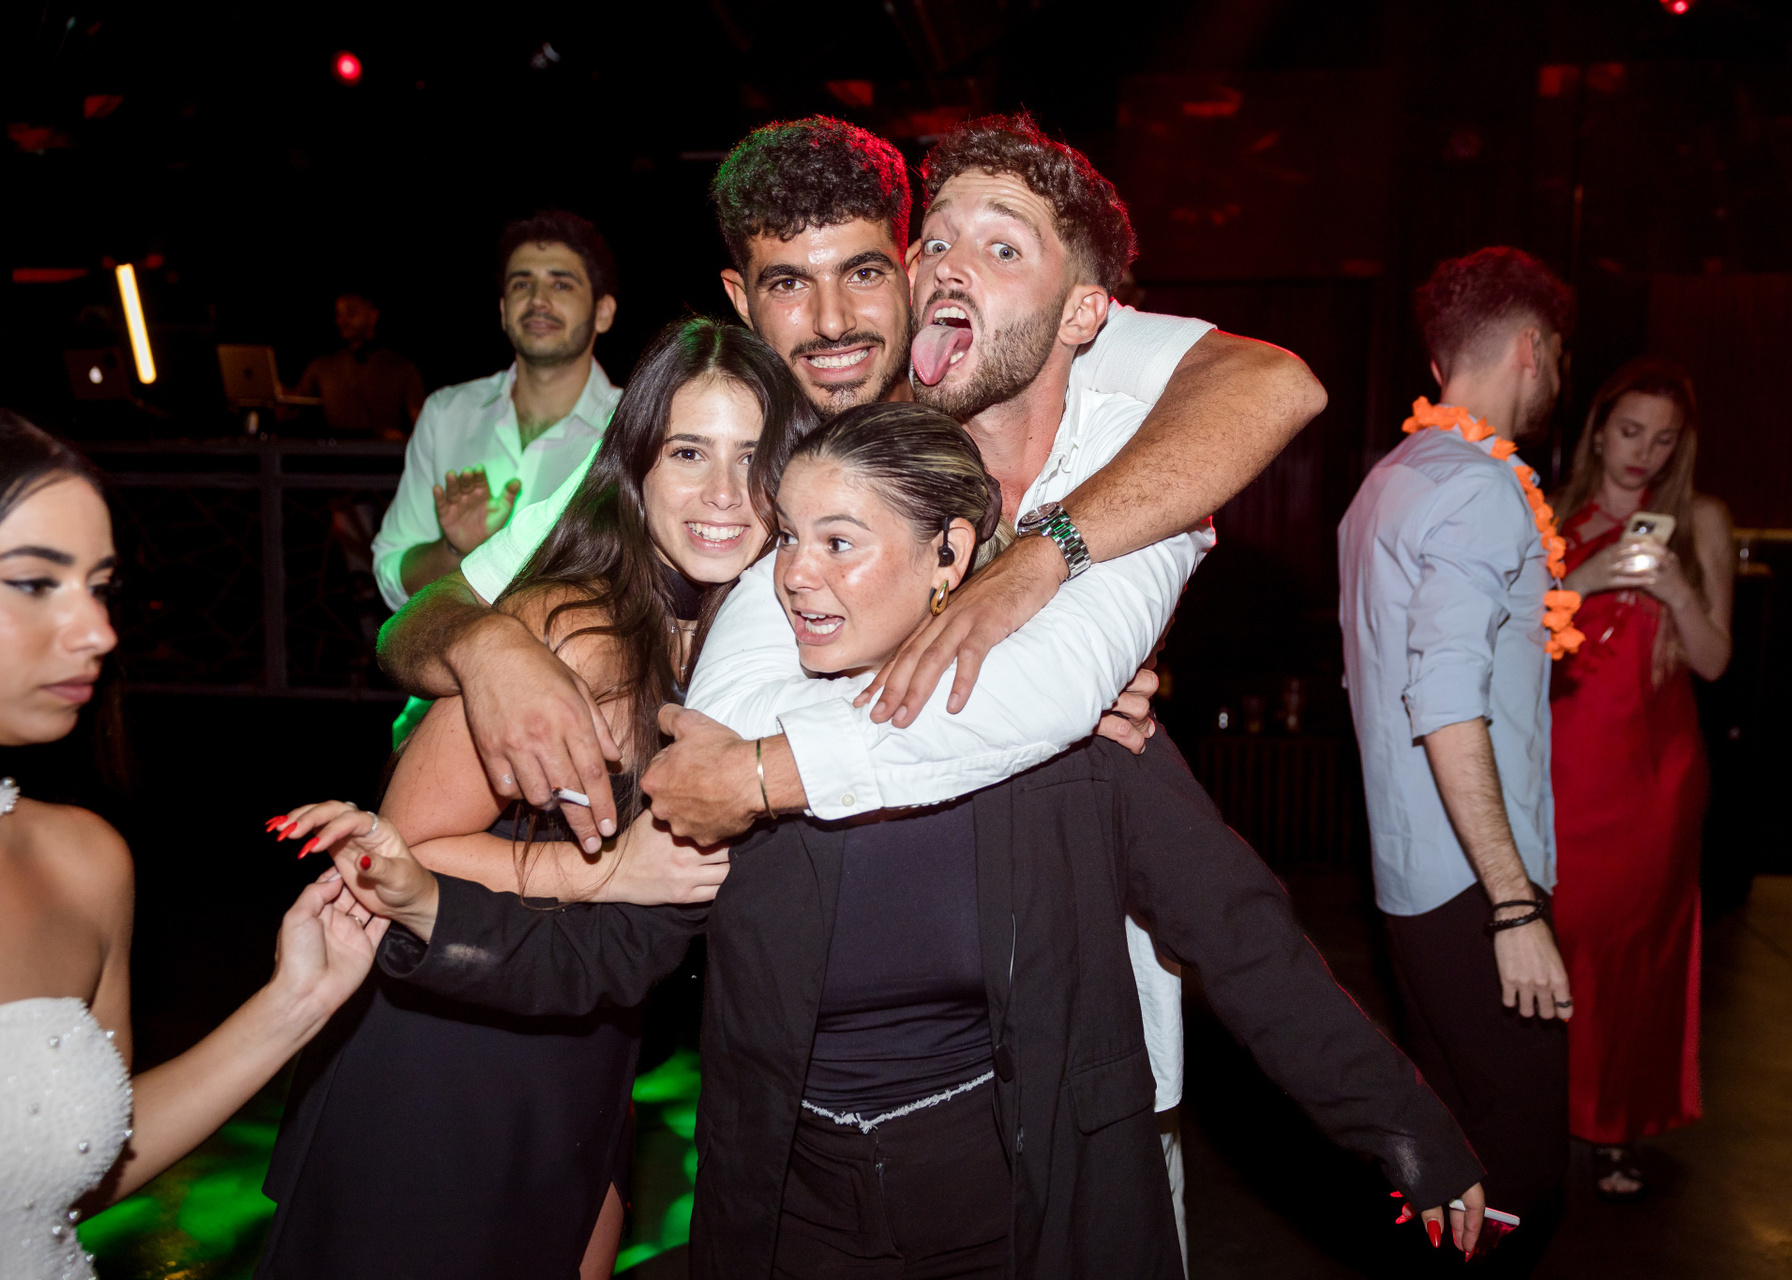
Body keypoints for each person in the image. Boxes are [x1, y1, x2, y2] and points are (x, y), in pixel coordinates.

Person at [376, 116, 1327, 1249]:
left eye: (865, 272)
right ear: (742, 297)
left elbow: (1270, 383)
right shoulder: (705, 432)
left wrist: (1050, 581)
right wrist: (489, 649)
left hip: (1039, 1050)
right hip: (713, 1019)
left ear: (913, 267)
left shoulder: (999, 359)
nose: (831, 320)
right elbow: (424, 613)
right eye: (790, 284)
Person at [287, 401, 1493, 1278]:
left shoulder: (1066, 741)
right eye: (787, 539)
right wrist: (424, 904)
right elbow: (615, 948)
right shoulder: (737, 753)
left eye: (839, 541)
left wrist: (1409, 1133)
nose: (793, 579)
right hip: (795, 1212)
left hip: (1013, 1203)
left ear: (949, 557)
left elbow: (1245, 941)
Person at [251, 319, 809, 1280]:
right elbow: (400, 845)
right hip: (447, 1056)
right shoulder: (571, 625)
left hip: (579, 1036)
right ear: (636, 467)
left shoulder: (727, 637)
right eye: (688, 452)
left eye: (752, 458)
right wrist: (605, 870)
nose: (724, 492)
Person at [0, 411, 379, 1280]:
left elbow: (76, 1167)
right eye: (33, 583)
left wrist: (298, 1002)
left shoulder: (84, 864)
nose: (99, 631)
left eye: (100, 586)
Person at [1337, 247, 1578, 1269]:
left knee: (1450, 1162)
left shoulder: (1390, 480)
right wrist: (1514, 908)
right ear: (1531, 347)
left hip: (1409, 875)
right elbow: (1443, 704)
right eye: (1557, 355)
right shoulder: (1481, 489)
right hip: (1475, 881)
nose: (1556, 374)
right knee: (1522, 1168)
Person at [1547, 357, 1733, 1200]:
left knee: (1638, 952)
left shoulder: (1700, 519)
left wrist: (1678, 591)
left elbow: (1715, 662)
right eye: (1629, 431)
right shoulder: (1551, 512)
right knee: (1557, 941)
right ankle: (1545, 1114)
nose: (1643, 453)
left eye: (1663, 439)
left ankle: (1617, 1124)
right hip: (1561, 760)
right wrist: (1579, 580)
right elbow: (1502, 637)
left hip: (1656, 774)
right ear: (1598, 431)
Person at [370, 209, 623, 613]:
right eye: (522, 283)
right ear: (504, 311)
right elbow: (391, 574)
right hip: (451, 652)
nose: (537, 300)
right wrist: (455, 549)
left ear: (603, 312)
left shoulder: (632, 428)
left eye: (561, 284)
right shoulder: (447, 413)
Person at [291, 291, 426, 440]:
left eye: (351, 313)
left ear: (373, 316)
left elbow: (422, 425)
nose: (342, 321)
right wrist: (278, 395)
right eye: (339, 315)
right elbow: (289, 410)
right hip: (334, 450)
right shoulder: (322, 365)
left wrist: (402, 441)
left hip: (382, 451)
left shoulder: (401, 367)